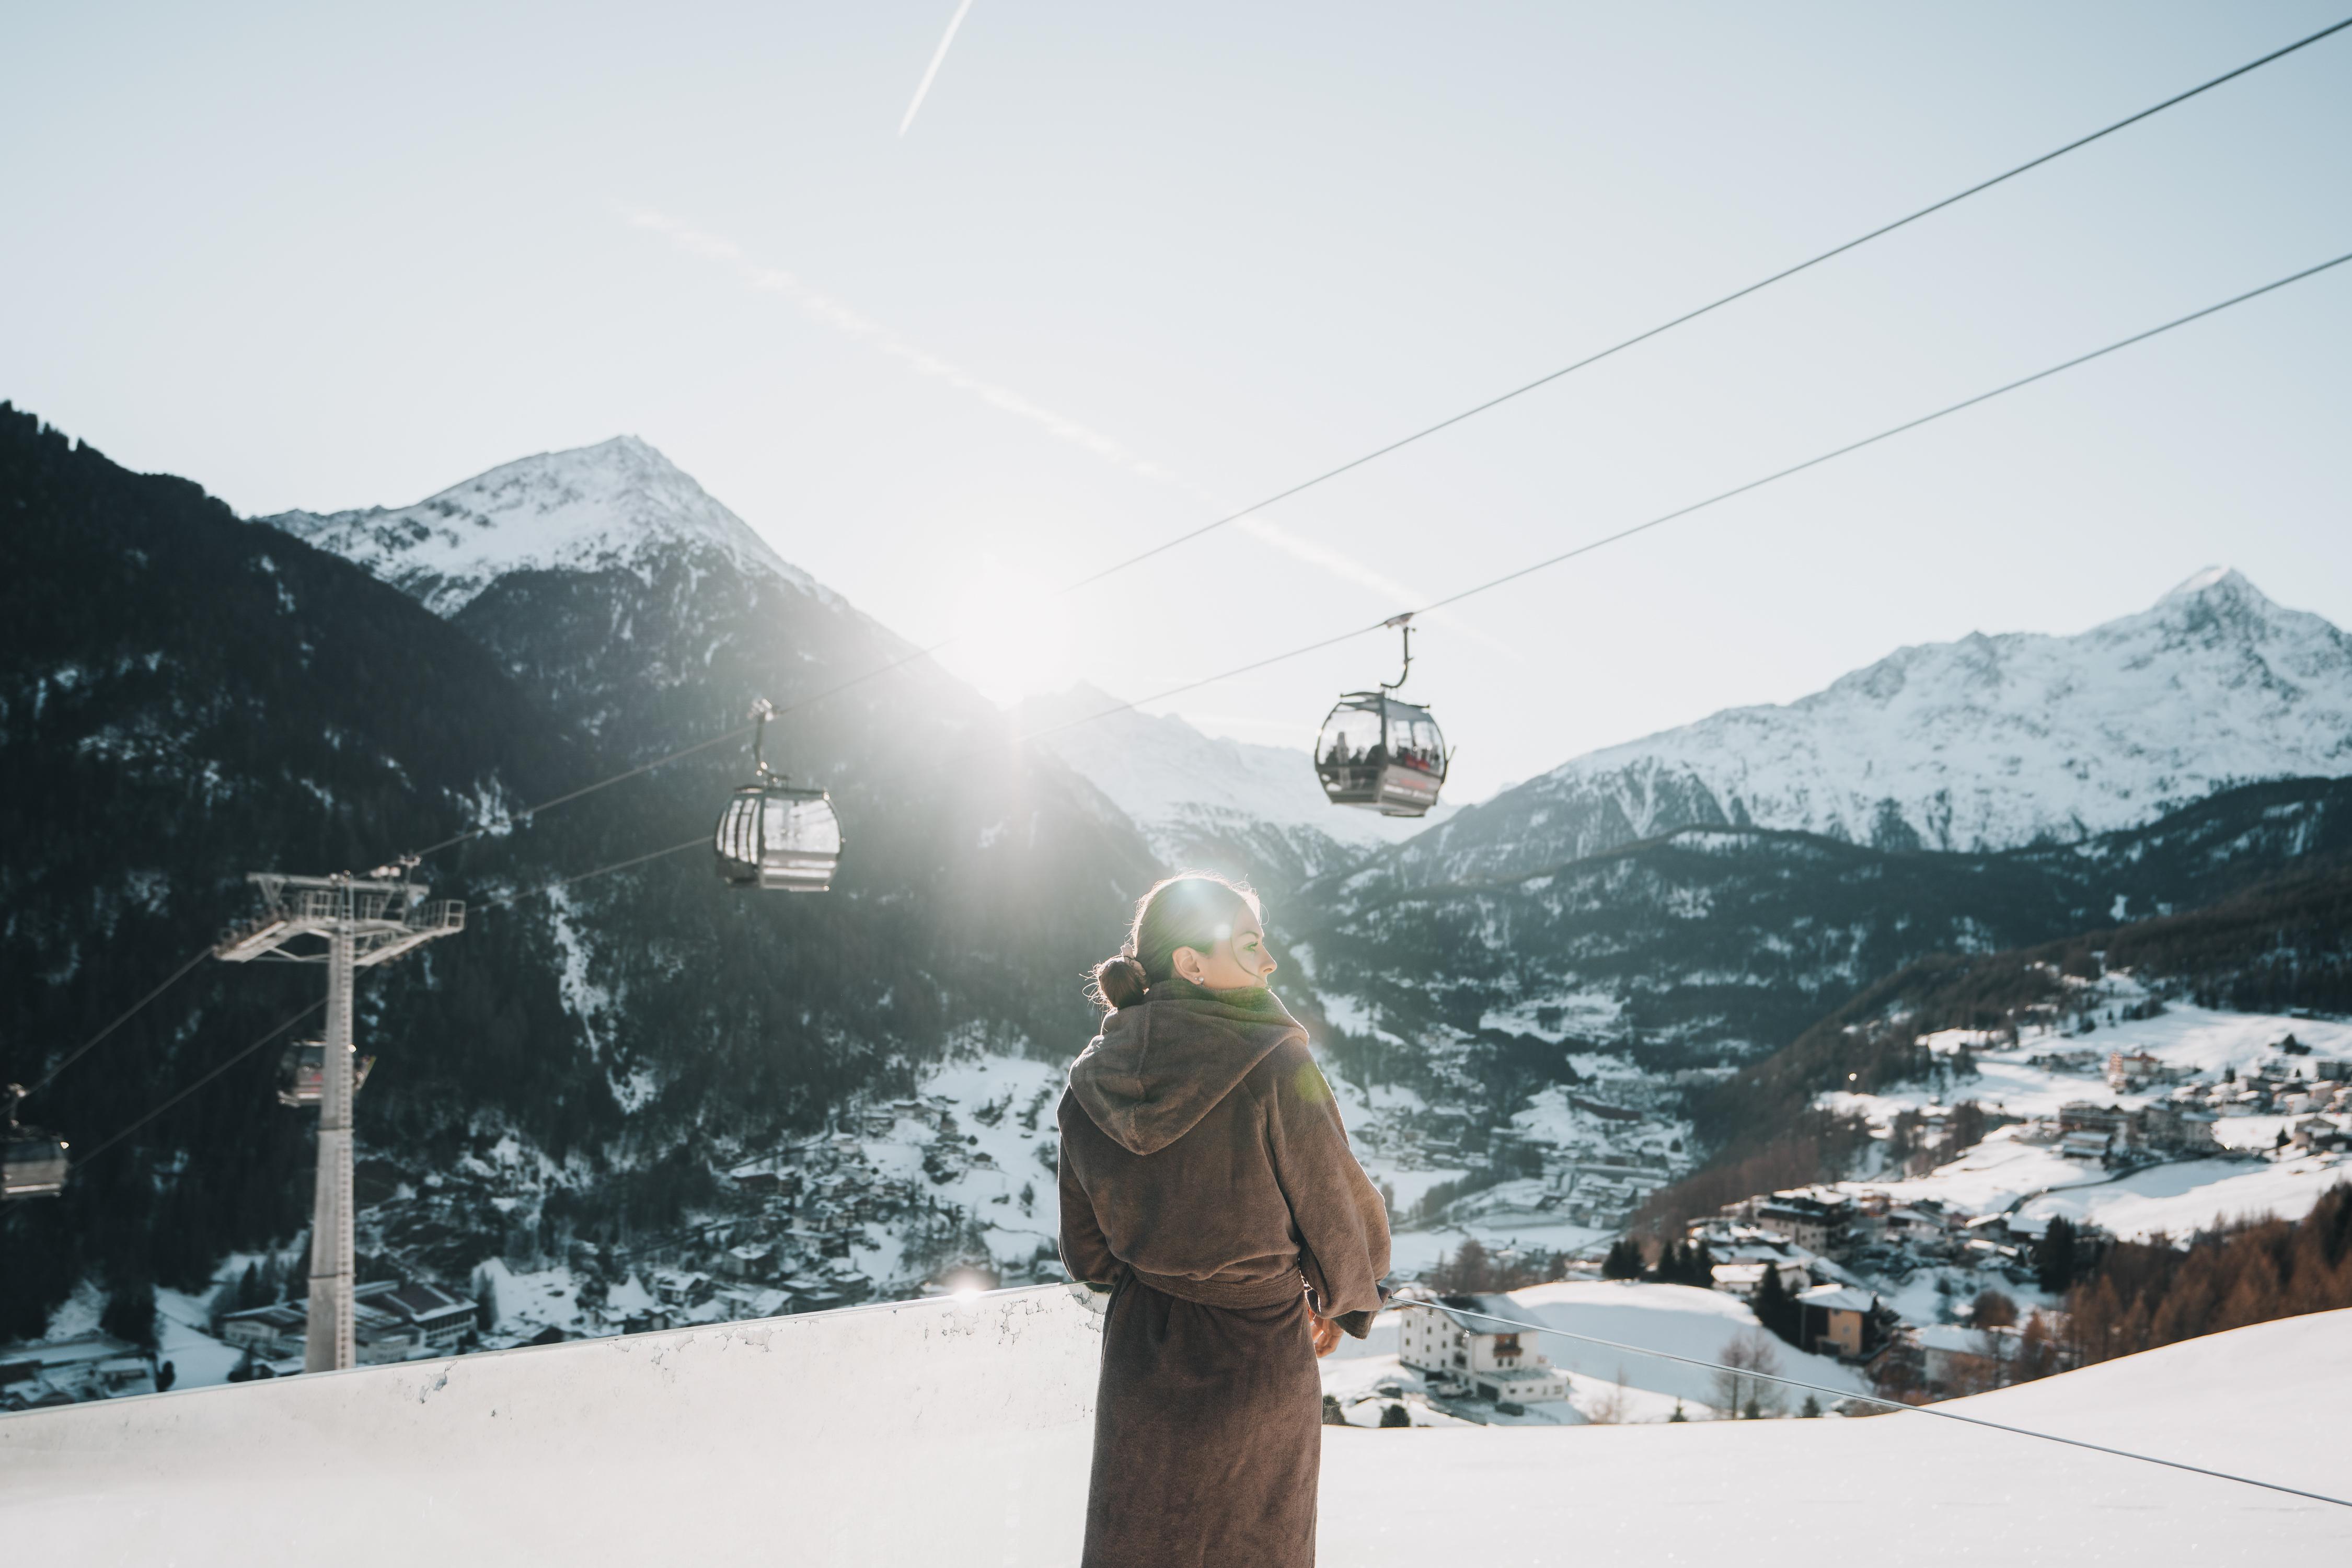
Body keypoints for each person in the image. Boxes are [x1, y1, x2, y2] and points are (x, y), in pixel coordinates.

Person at [1058, 873, 1391, 1568]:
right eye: (1249, 945)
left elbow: (1089, 1257)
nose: (1270, 962)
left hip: (1141, 1358)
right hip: (1257, 1355)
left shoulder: (1092, 1082)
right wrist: (1348, 1299)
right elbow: (1338, 1207)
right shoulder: (1275, 1063)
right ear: (1191, 963)